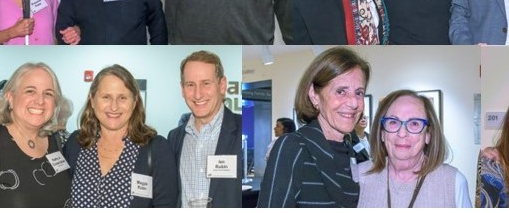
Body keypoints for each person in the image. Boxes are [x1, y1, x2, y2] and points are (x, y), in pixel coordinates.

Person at [259, 46, 371, 207]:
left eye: (359, 93)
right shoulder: (293, 147)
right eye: (341, 91)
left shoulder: (355, 150)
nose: (354, 103)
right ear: (314, 95)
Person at [63, 64, 178, 207]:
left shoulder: (157, 149)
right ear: (92, 100)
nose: (114, 107)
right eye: (106, 97)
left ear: (135, 101)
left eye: (122, 98)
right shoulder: (76, 143)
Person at [357, 89, 471, 208]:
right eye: (393, 122)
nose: (402, 133)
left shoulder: (453, 182)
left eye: (415, 123)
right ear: (382, 133)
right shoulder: (359, 176)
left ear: (428, 135)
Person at [0, 63, 72, 207]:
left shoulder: (59, 141)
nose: (40, 101)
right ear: (10, 97)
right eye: (30, 91)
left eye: (48, 93)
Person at [168, 50, 241, 208]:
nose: (198, 94)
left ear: (222, 85)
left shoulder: (241, 128)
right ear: (182, 89)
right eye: (190, 85)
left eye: (206, 83)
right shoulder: (174, 138)